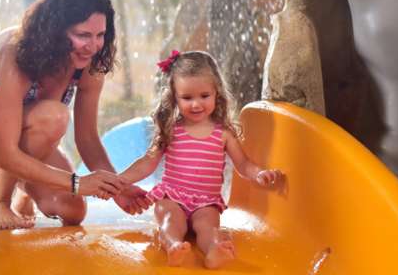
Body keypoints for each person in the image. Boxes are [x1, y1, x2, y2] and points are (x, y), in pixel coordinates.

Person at [0, 0, 150, 230]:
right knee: (53, 116)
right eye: (83, 35)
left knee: (73, 209)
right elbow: (5, 152)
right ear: (56, 31)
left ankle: (24, 190)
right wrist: (77, 182)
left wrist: (118, 188)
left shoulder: (88, 61)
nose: (93, 45)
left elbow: (87, 139)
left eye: (100, 35)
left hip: (28, 139)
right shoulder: (16, 51)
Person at [119, 50, 284, 269]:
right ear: (174, 97)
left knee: (208, 227)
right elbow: (147, 162)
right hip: (172, 197)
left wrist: (259, 173)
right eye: (187, 98)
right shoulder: (171, 129)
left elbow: (242, 164)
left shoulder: (223, 133)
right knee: (170, 220)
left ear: (217, 92)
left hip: (206, 202)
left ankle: (214, 252)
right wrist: (119, 180)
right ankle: (174, 247)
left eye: (204, 96)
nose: (196, 104)